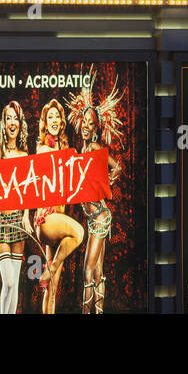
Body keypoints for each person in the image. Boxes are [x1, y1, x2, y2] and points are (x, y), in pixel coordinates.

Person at [65, 87, 123, 314]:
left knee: (87, 270)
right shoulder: (82, 149)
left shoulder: (96, 148)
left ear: (97, 127)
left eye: (91, 124)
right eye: (85, 123)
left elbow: (118, 165)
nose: (87, 127)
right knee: (98, 270)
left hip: (100, 216)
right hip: (93, 218)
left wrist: (107, 183)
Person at [33, 99, 84, 314]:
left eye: (57, 116)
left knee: (52, 288)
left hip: (56, 223)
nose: (54, 120)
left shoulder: (61, 147)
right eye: (49, 117)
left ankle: (50, 274)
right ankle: (49, 269)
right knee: (79, 233)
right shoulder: (44, 147)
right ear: (45, 123)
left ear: (62, 122)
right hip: (48, 219)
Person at [0, 100, 32, 314]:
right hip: (0, 221)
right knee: (10, 282)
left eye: (16, 118)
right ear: (3, 123)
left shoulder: (24, 155)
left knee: (15, 286)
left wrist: (27, 215)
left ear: (20, 124)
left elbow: (28, 191)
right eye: (8, 118)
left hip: (18, 221)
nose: (12, 122)